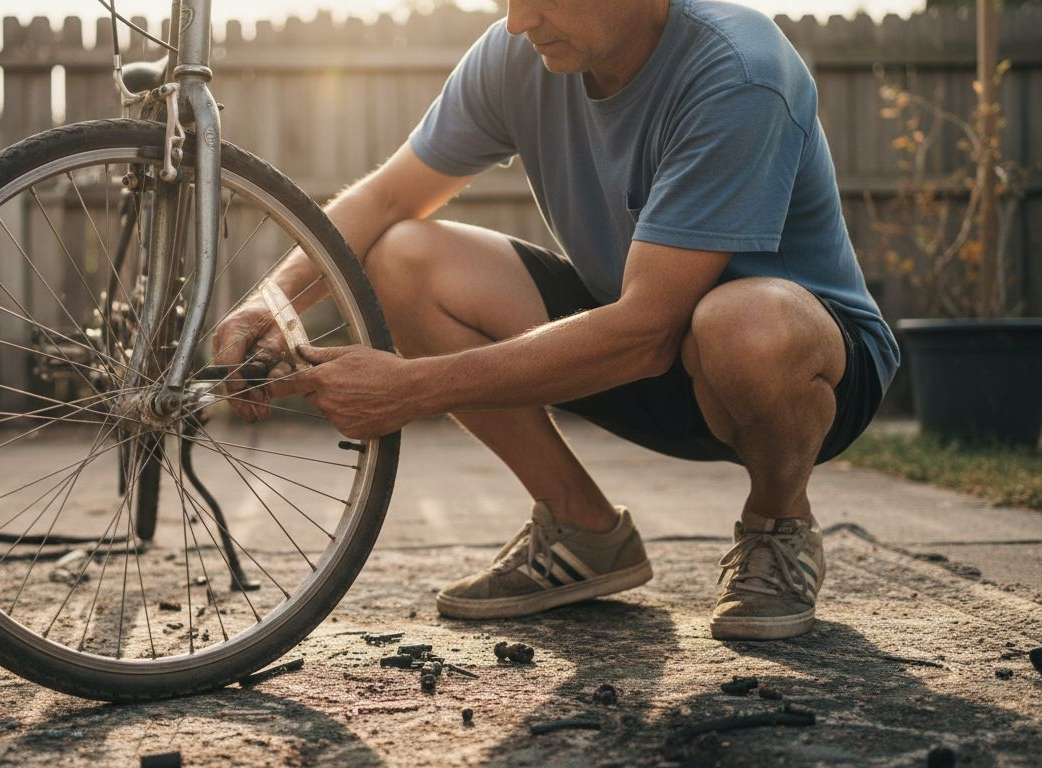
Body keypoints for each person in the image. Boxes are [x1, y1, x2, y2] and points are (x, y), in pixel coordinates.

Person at [212, 0, 899, 641]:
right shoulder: (522, 56)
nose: (517, 21)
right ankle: (581, 528)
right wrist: (269, 304)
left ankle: (780, 524)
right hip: (638, 342)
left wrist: (411, 390)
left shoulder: (739, 71)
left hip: (797, 367)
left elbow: (647, 331)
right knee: (401, 257)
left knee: (742, 324)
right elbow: (390, 194)